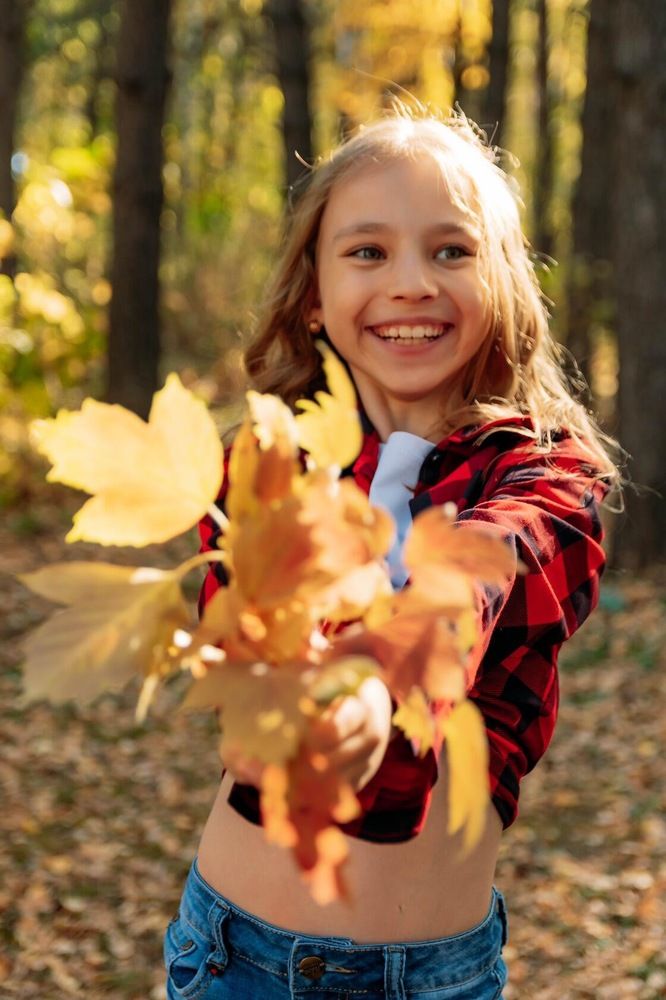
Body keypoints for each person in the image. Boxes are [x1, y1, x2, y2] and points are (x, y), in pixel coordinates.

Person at [163, 103, 619, 1000]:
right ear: (313, 294)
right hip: (233, 958)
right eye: (368, 252)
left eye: (452, 251)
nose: (411, 282)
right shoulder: (264, 461)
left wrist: (382, 677)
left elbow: (486, 568)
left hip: (434, 977)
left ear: (505, 286)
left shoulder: (547, 476)